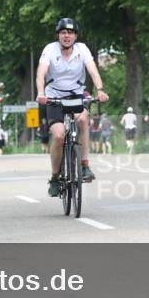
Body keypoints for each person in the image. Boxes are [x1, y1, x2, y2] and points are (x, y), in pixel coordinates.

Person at [36, 18, 109, 197]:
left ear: (75, 36)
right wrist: (40, 93)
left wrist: (100, 90)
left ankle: (84, 165)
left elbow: (93, 70)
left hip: (76, 94)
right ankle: (55, 178)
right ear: (58, 35)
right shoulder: (50, 50)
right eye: (63, 32)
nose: (66, 36)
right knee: (59, 135)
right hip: (53, 96)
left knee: (83, 119)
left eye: (70, 33)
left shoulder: (82, 49)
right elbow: (41, 73)